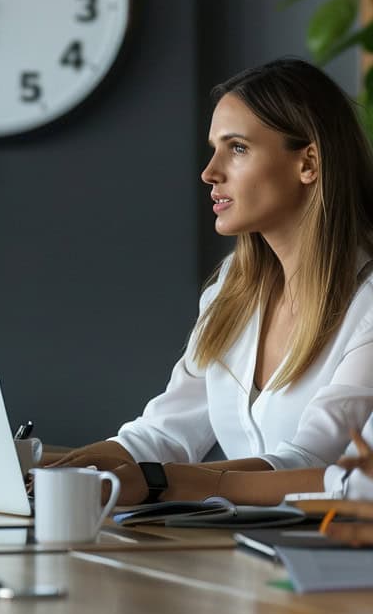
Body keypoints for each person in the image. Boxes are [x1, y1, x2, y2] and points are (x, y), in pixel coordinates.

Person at [52, 58, 373, 506]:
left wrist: (160, 481)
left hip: (327, 562)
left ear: (309, 163)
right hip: (239, 554)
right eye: (215, 148)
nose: (210, 172)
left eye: (237, 148)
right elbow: (163, 433)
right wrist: (50, 470)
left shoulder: (368, 305)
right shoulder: (232, 290)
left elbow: (310, 465)